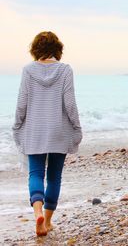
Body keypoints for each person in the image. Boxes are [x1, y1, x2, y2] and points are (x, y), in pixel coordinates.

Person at [12, 31, 82, 236]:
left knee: (35, 173)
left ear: (35, 49)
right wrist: (77, 127)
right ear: (57, 49)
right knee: (54, 177)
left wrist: (17, 125)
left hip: (35, 131)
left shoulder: (27, 71)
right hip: (58, 131)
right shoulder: (65, 70)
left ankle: (37, 214)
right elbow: (70, 104)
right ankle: (48, 221)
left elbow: (21, 103)